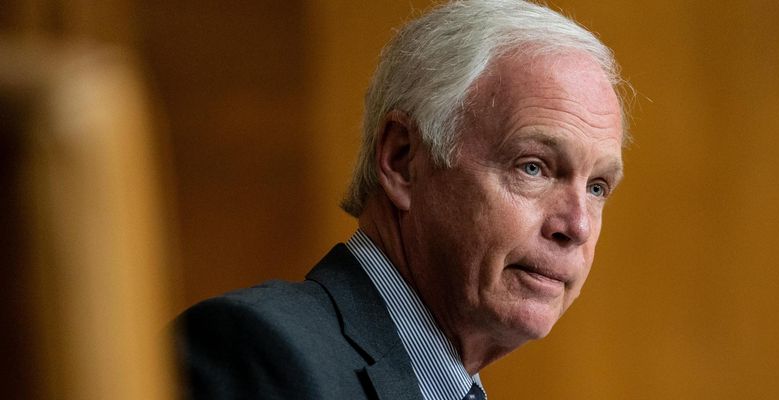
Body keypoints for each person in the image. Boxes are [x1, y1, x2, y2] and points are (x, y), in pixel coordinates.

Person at [174, 1, 627, 399]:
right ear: (403, 162)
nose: (577, 226)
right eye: (534, 167)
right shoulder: (258, 353)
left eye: (596, 187)